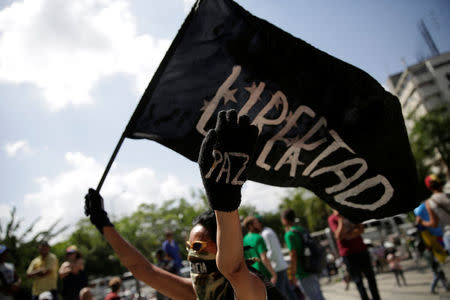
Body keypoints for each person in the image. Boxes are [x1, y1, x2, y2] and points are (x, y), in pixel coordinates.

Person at [84, 110, 284, 299]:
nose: (191, 253)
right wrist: (103, 223)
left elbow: (233, 268)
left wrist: (225, 203)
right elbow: (143, 270)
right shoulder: (199, 293)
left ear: (222, 242)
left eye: (198, 245)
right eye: (189, 246)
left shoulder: (252, 287)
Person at [328, 210, 380, 300]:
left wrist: (347, 235)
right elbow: (338, 236)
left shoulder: (349, 213)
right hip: (348, 254)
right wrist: (340, 219)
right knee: (358, 281)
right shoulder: (333, 219)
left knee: (371, 278)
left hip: (361, 250)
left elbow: (361, 229)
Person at [281, 209, 326, 300]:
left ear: (284, 220)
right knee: (317, 293)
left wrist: (292, 275)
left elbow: (293, 255)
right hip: (312, 265)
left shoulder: (289, 235)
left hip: (302, 271)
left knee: (312, 297)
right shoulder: (301, 229)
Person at [255, 215, 298, 300]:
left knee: (280, 294)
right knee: (289, 292)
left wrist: (264, 260)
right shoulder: (268, 231)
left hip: (277, 268)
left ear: (260, 223)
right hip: (280, 265)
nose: (254, 225)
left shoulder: (266, 234)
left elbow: (272, 252)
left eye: (255, 223)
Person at [417, 174, 450, 252]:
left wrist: (422, 222)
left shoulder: (430, 203)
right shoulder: (448, 196)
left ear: (429, 187)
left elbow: (434, 224)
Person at [242, 216, 277, 283]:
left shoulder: (244, 240)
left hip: (252, 275)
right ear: (250, 226)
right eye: (256, 223)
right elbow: (264, 258)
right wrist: (274, 274)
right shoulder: (258, 238)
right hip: (263, 273)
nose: (259, 225)